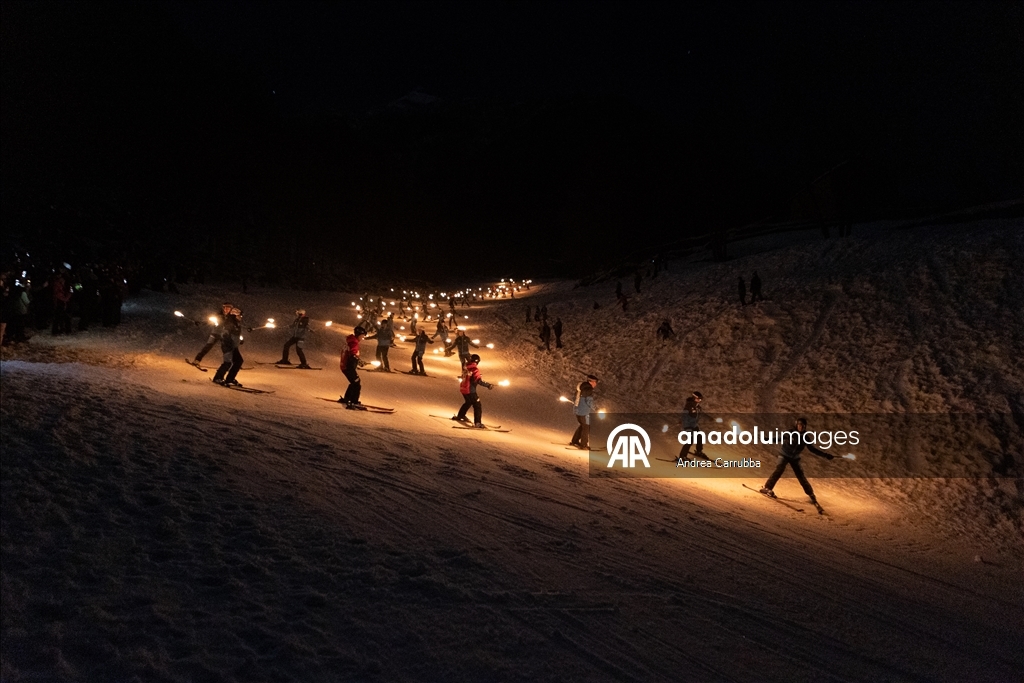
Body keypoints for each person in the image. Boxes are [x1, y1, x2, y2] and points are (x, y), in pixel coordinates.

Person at [760, 417, 834, 509]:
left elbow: (812, 449)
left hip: (795, 458)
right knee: (779, 469)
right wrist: (767, 439)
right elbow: (778, 438)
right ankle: (768, 488)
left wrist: (826, 455)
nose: (801, 427)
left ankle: (811, 494)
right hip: (784, 455)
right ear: (796, 425)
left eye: (803, 426)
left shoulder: (805, 437)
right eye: (799, 425)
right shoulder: (790, 433)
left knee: (801, 476)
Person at [453, 353, 492, 427]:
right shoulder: (475, 369)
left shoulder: (466, 367)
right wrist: (488, 385)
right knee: (477, 405)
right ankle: (477, 423)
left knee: (468, 402)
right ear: (477, 361)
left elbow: (466, 376)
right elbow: (478, 381)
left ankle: (461, 415)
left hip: (463, 389)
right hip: (470, 390)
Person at [213, 307, 245, 386]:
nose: (241, 317)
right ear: (235, 315)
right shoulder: (230, 323)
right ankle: (217, 378)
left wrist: (239, 340)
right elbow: (225, 334)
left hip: (233, 346)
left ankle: (230, 379)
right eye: (239, 316)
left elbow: (235, 334)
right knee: (227, 362)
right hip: (228, 346)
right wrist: (228, 343)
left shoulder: (236, 323)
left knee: (239, 361)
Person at [339, 325, 367, 407]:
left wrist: (358, 361)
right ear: (358, 335)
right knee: (357, 383)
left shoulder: (351, 341)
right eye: (362, 336)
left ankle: (347, 398)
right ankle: (354, 401)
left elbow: (352, 355)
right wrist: (359, 360)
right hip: (348, 366)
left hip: (346, 365)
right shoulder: (354, 343)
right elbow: (352, 354)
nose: (362, 338)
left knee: (354, 382)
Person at [570, 375, 599, 449]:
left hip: (577, 410)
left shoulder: (580, 387)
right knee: (586, 427)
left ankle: (574, 441)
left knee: (583, 425)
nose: (596, 384)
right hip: (583, 411)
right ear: (591, 382)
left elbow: (574, 398)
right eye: (595, 382)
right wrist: (596, 409)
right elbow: (589, 401)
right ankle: (583, 445)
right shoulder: (588, 389)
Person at [677, 391, 707, 461]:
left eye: (700, 399)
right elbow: (684, 417)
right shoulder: (688, 407)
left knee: (700, 436)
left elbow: (701, 413)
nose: (699, 401)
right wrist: (687, 428)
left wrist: (710, 418)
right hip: (688, 426)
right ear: (694, 398)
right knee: (690, 440)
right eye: (698, 399)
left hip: (694, 425)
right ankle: (682, 456)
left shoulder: (697, 407)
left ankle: (699, 451)